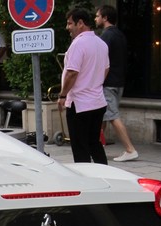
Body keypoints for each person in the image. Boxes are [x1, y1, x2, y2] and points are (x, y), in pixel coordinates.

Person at [57, 9, 109, 164]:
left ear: (80, 23)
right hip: (98, 102)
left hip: (79, 104)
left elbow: (72, 73)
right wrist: (94, 83)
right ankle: (106, 175)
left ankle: (85, 180)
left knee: (80, 147)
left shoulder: (78, 44)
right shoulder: (101, 43)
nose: (68, 28)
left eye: (70, 23)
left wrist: (62, 95)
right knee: (94, 143)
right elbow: (106, 69)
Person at [95, 5, 139, 162]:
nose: (95, 19)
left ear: (105, 18)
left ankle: (130, 149)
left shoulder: (106, 36)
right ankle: (98, 147)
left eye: (97, 16)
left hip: (108, 82)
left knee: (112, 115)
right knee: (104, 115)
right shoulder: (120, 35)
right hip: (119, 81)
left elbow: (99, 58)